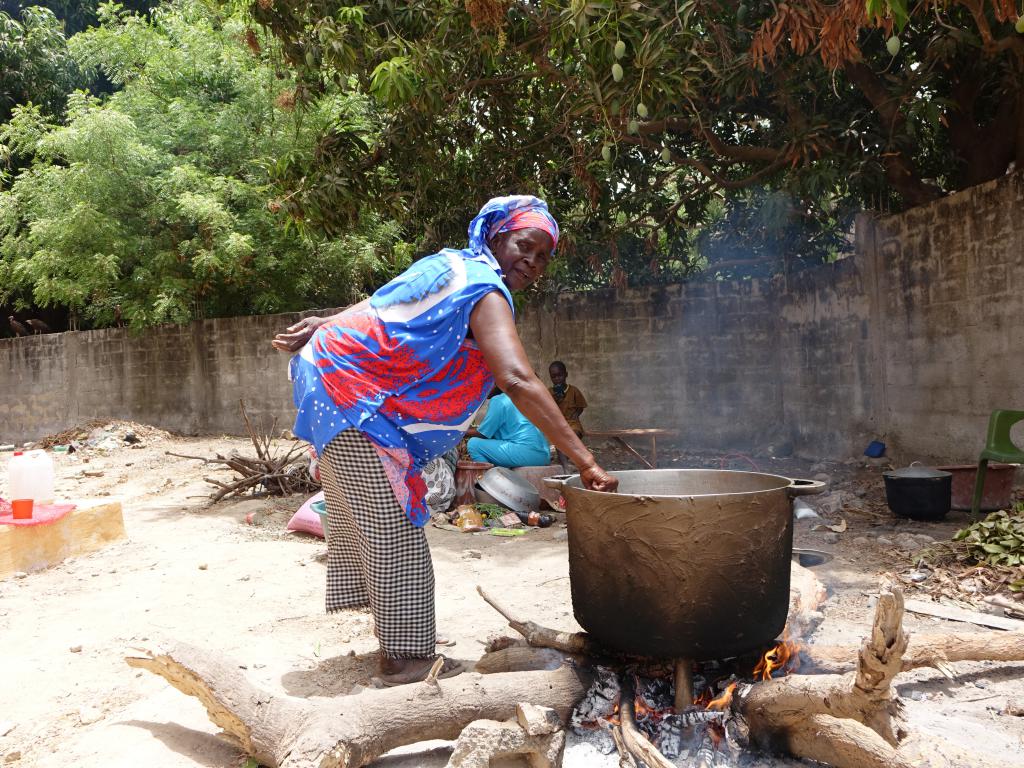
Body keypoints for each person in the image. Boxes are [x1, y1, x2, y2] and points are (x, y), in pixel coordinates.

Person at [272, 195, 618, 686]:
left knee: (365, 513)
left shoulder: (453, 266)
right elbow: (517, 379)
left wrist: (326, 324)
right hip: (350, 391)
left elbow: (383, 302)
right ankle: (405, 661)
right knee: (397, 530)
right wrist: (586, 462)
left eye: (543, 256)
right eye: (525, 246)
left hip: (336, 380)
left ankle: (392, 632)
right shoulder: (483, 289)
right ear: (497, 237)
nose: (533, 262)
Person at [466, 390, 549, 468]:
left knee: (473, 444)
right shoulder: (518, 397)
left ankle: (488, 480)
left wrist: (459, 433)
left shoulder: (499, 400)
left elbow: (483, 434)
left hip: (527, 453)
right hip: (544, 455)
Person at [549, 360, 588, 469]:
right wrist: (556, 398)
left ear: (566, 375)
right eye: (554, 377)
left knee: (574, 436)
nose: (557, 379)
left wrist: (576, 414)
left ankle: (565, 461)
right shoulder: (550, 392)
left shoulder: (573, 390)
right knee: (559, 440)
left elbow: (581, 406)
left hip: (572, 423)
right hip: (558, 424)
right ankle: (565, 466)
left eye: (560, 376)